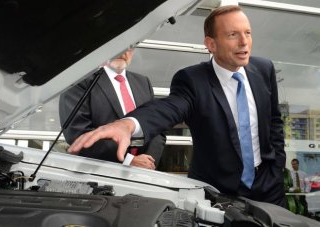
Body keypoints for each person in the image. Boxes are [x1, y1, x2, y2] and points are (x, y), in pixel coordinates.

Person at [68, 5, 286, 207]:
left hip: (269, 188)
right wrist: (128, 124)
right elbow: (169, 108)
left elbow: (274, 122)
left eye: (247, 33)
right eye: (232, 35)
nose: (244, 42)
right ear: (211, 44)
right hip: (218, 193)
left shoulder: (264, 69)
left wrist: (276, 169)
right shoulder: (192, 80)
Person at [59, 48, 166, 170]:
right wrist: (128, 160)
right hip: (99, 173)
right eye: (120, 45)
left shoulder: (143, 82)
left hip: (143, 173)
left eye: (128, 47)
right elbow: (77, 132)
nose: (122, 51)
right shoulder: (79, 81)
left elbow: (157, 127)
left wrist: (148, 160)